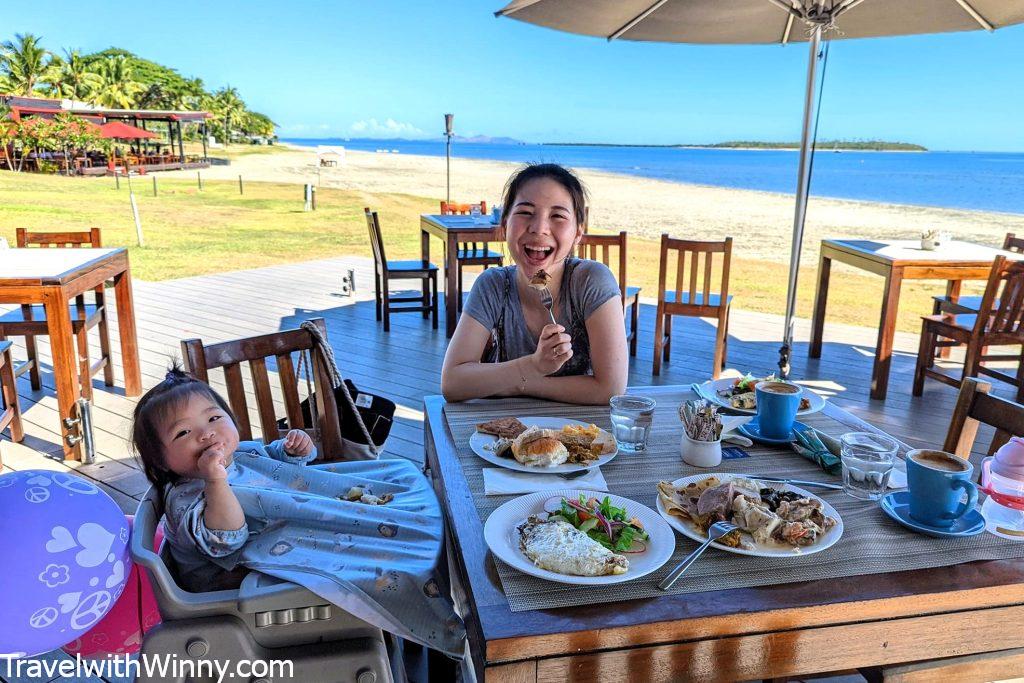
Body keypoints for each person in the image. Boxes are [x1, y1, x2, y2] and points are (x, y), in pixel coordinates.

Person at [441, 163, 627, 405]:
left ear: (577, 234)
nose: (539, 228)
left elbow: (611, 389)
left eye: (558, 216)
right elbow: (452, 383)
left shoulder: (591, 281)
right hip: (505, 435)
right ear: (505, 225)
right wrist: (533, 365)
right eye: (526, 212)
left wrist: (520, 383)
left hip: (583, 434)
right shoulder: (493, 286)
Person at [131, 367, 316, 591]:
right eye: (183, 432)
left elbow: (272, 463)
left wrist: (293, 451)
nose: (206, 433)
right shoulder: (184, 498)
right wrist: (216, 481)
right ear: (160, 461)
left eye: (214, 417)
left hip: (273, 546)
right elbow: (227, 539)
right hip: (231, 587)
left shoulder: (242, 453)